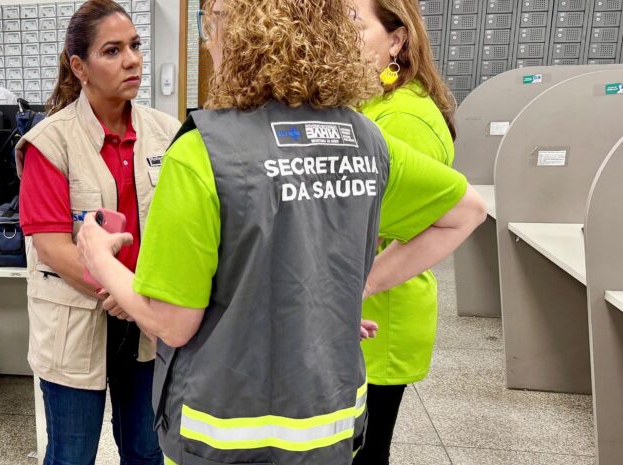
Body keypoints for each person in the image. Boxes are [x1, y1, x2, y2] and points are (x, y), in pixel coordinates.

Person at [75, 0, 487, 464]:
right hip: (327, 429)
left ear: (240, 35)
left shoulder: (201, 153)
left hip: (222, 436)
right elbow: (465, 212)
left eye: (211, 28)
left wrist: (101, 260)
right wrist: (356, 290)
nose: (208, 43)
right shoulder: (363, 139)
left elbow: (172, 321)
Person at [15, 1, 180, 463]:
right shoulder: (52, 141)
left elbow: (182, 230)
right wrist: (118, 292)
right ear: (79, 67)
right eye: (112, 50)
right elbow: (50, 245)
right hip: (77, 317)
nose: (131, 59)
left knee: (146, 450)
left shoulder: (168, 134)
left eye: (135, 46)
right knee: (72, 454)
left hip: (146, 320)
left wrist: (140, 299)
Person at [352, 0, 459, 463]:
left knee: (365, 452)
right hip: (365, 311)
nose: (338, 36)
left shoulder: (403, 118)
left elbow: (416, 226)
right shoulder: (375, 103)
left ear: (397, 40)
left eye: (354, 25)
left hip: (381, 315)